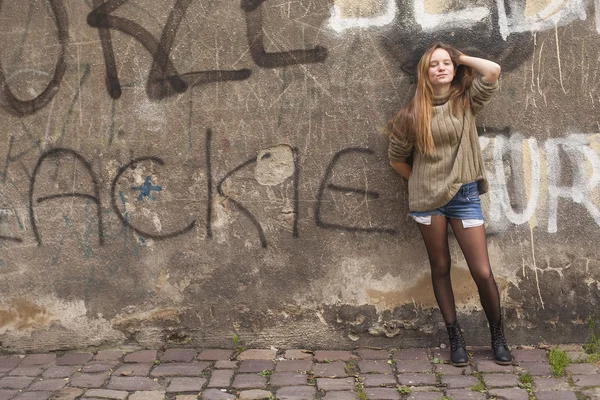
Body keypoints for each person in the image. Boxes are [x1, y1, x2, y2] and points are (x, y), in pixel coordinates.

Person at [386, 42, 512, 366]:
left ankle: (497, 335)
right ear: (424, 73)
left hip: (465, 196)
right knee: (440, 267)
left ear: (454, 70)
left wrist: (461, 57)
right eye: (434, 64)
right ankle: (455, 337)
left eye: (446, 64)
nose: (441, 68)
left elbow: (493, 71)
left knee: (482, 272)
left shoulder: (465, 101)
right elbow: (397, 159)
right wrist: (421, 181)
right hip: (428, 201)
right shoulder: (411, 115)